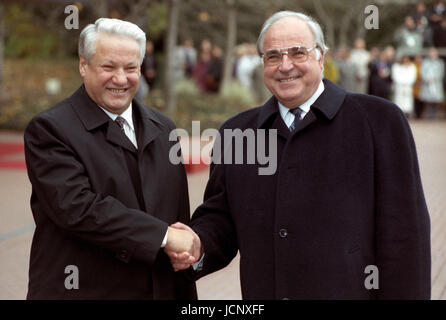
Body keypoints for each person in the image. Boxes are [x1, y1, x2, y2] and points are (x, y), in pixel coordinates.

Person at [167, 11, 431, 300]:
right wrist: (196, 243)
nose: (285, 65)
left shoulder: (380, 122)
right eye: (273, 56)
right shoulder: (236, 132)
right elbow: (221, 220)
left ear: (321, 57)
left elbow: (405, 238)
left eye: (298, 53)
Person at [24, 18, 197, 299]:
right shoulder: (50, 129)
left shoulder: (164, 128)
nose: (120, 78)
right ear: (83, 65)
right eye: (108, 67)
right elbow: (77, 209)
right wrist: (163, 237)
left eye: (131, 68)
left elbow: (178, 215)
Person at [419, 47, 445, 118]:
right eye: (431, 52)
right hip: (427, 83)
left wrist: (434, 78)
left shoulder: (440, 63)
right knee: (428, 100)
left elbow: (441, 73)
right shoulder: (425, 62)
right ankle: (429, 115)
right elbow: (422, 72)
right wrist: (426, 79)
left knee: (436, 100)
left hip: (436, 84)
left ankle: (435, 115)